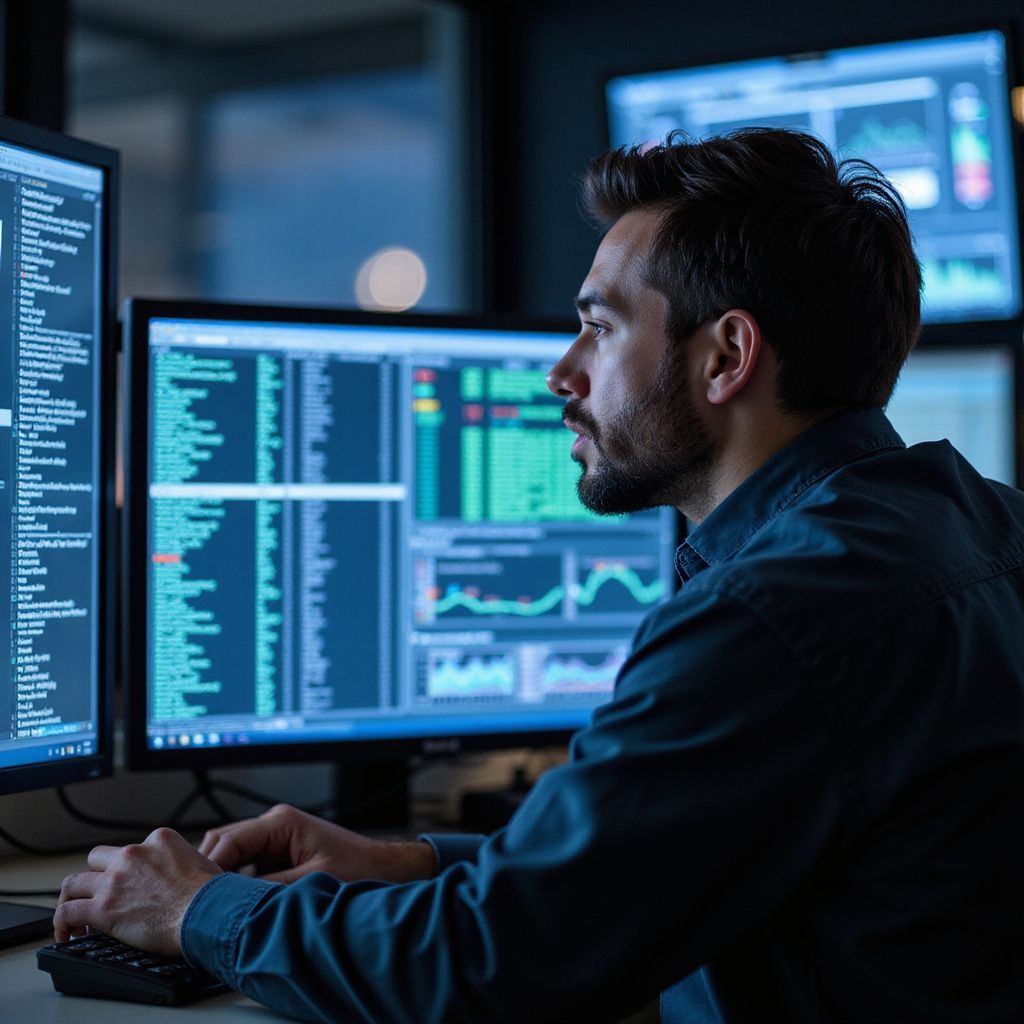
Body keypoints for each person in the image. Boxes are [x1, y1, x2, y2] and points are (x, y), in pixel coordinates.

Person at [55, 129, 1024, 1023]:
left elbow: (491, 966)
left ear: (726, 355)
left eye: (599, 328)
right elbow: (668, 861)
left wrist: (195, 908)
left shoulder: (767, 618)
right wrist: (415, 860)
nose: (562, 373)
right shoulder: (989, 526)